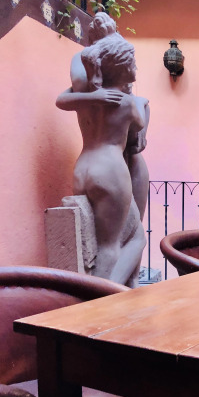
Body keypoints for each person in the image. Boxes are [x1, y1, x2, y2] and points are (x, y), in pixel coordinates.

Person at [57, 35, 146, 286]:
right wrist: (142, 102)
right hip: (110, 171)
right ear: (122, 68)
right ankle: (99, 299)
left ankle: (110, 291)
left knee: (135, 236)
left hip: (83, 168)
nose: (136, 67)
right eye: (133, 63)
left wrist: (92, 96)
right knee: (110, 246)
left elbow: (61, 100)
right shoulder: (127, 103)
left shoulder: (84, 97)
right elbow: (139, 126)